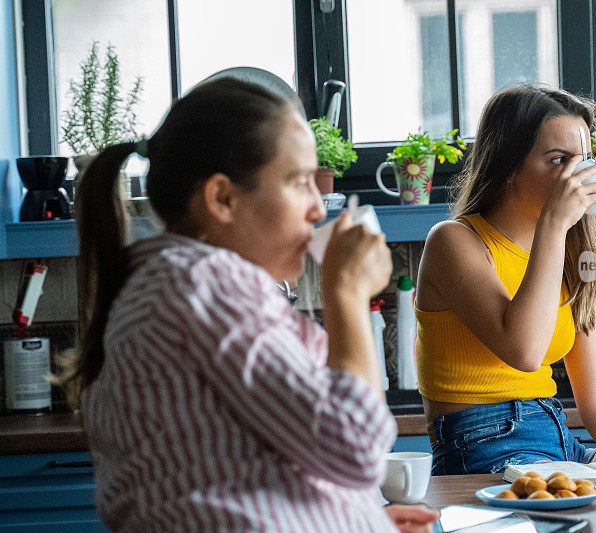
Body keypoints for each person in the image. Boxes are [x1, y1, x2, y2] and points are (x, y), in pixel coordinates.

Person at [61, 77, 438, 532]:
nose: (319, 210)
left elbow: (245, 469)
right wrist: (347, 294)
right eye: (299, 182)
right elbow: (354, 448)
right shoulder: (204, 285)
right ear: (222, 198)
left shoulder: (177, 284)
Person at [415, 83, 596, 475]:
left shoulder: (574, 252)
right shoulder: (453, 241)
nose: (574, 177)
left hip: (558, 437)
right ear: (510, 167)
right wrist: (555, 223)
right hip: (486, 442)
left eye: (581, 160)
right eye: (558, 159)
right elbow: (525, 352)